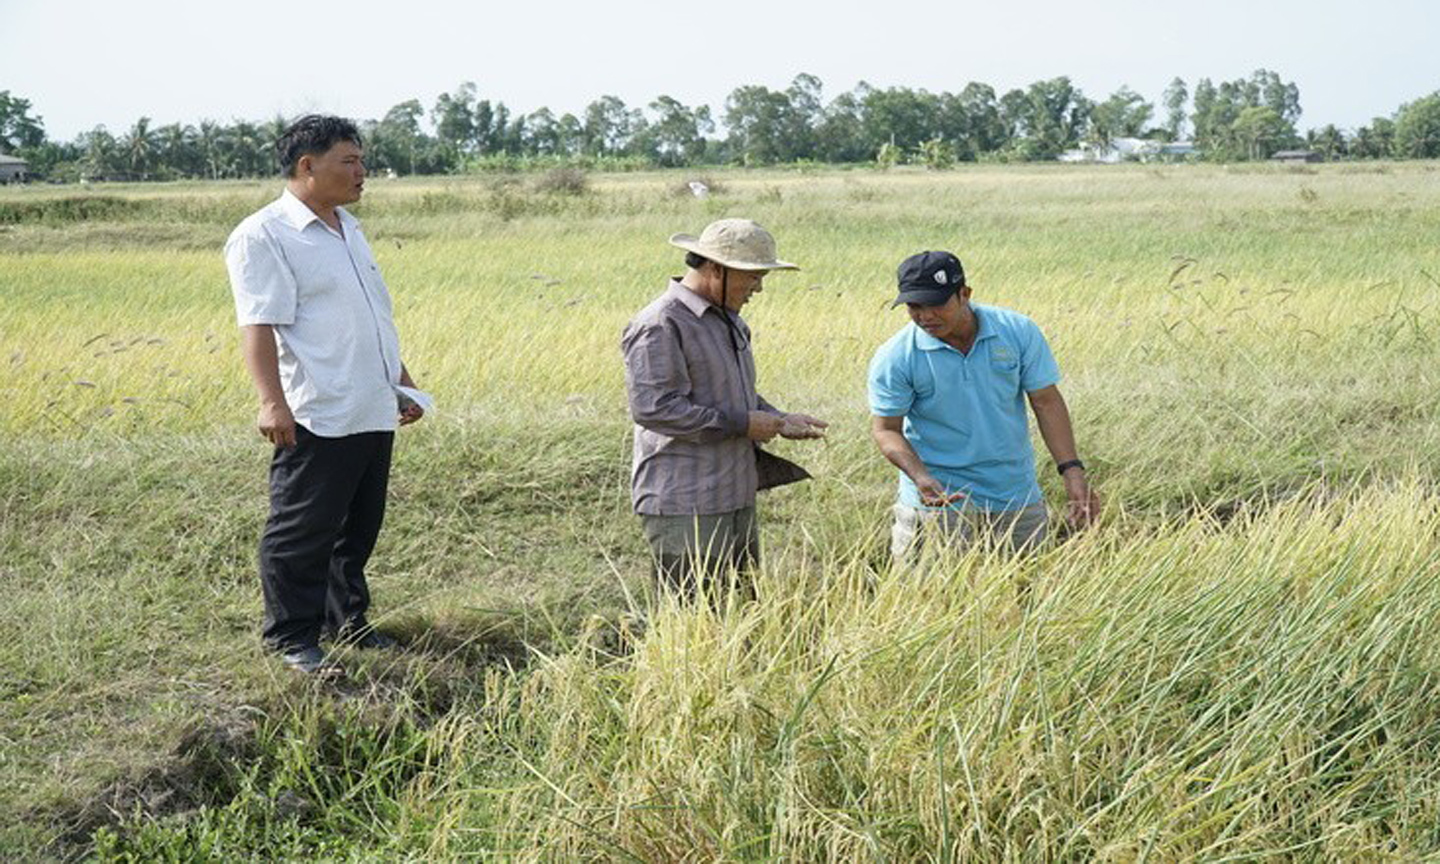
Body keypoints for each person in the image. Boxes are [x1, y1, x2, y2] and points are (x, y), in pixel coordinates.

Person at [224, 115, 427, 675]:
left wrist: (400, 380)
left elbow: (370, 316)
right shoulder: (264, 235)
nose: (363, 172)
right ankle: (291, 638)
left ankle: (347, 623)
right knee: (302, 529)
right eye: (350, 161)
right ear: (307, 165)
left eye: (362, 160)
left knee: (357, 528)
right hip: (317, 407)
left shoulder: (347, 228)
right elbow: (259, 325)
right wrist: (271, 402)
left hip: (369, 403)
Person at [621, 219, 827, 598]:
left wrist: (780, 421)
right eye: (752, 277)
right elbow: (655, 409)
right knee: (692, 621)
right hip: (685, 501)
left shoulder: (730, 321)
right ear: (716, 269)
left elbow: (736, 396)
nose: (758, 288)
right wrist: (743, 424)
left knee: (739, 608)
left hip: (733, 491)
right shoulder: (660, 323)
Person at [868, 250, 1100, 560]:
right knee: (930, 598)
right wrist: (920, 476)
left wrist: (1072, 471)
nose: (925, 317)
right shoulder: (896, 356)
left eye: (936, 304)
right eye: (914, 306)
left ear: (964, 294)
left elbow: (1046, 402)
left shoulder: (1017, 332)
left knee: (1028, 593)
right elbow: (886, 430)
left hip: (1014, 495)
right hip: (936, 501)